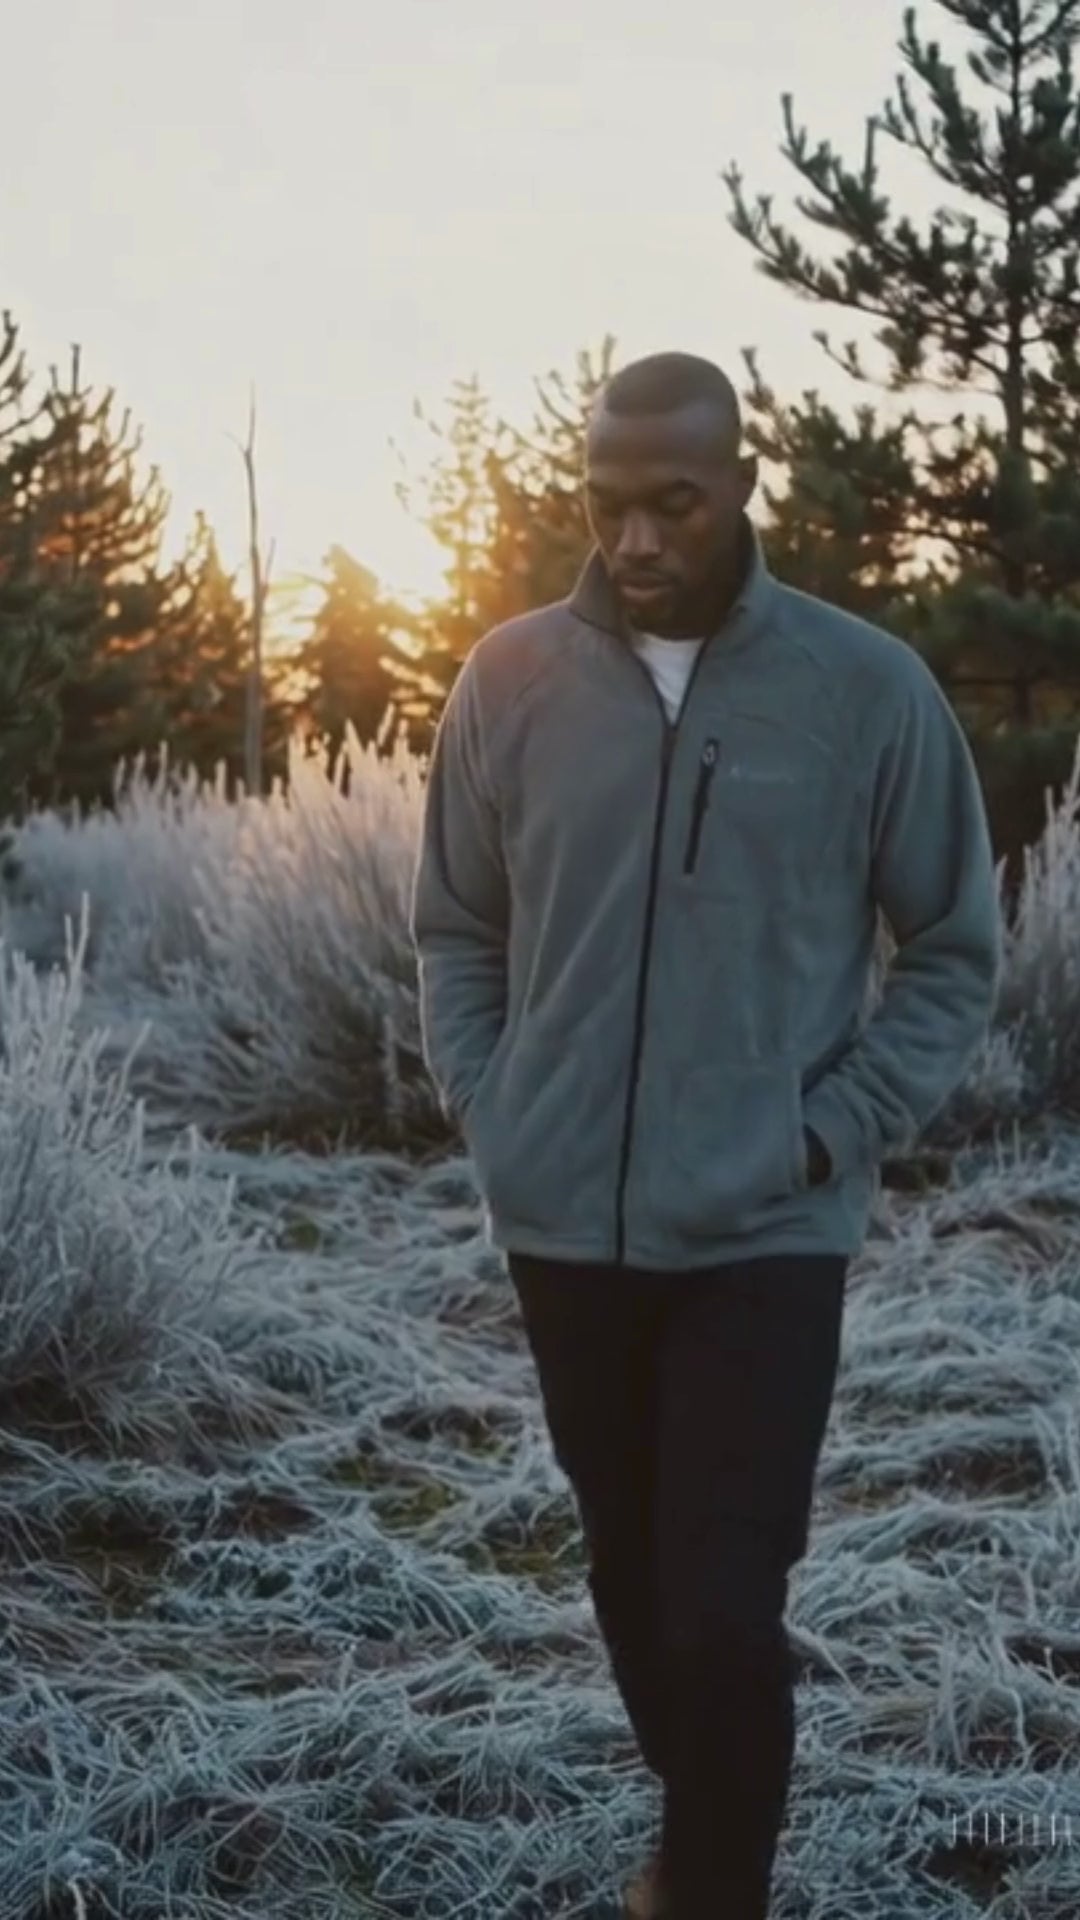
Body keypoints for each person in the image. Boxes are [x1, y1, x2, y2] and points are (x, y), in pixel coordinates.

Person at [408, 351, 1002, 1919]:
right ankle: (700, 1837)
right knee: (629, 1580)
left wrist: (835, 1130)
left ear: (743, 483)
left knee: (725, 1611)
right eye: (607, 505)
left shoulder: (863, 689)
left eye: (672, 503)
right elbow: (457, 927)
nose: (636, 539)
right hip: (566, 1226)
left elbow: (954, 945)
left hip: (765, 1225)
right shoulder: (510, 681)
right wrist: (495, 1105)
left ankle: (712, 1884)